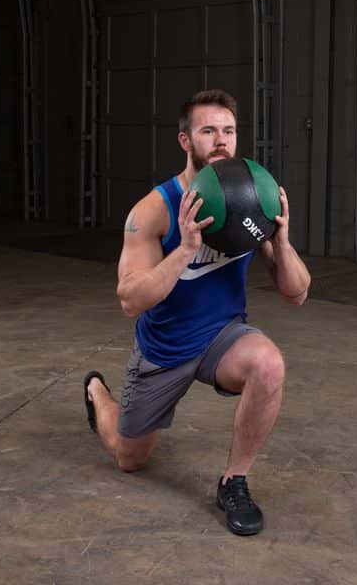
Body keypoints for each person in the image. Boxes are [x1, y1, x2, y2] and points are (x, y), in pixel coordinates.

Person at [83, 89, 311, 536]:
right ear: (185, 140)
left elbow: (297, 293)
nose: (221, 140)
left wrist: (280, 243)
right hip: (165, 349)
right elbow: (130, 299)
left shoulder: (250, 195)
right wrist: (186, 248)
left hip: (223, 337)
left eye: (229, 131)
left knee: (269, 364)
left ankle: (234, 482)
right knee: (129, 458)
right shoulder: (154, 210)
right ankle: (96, 393)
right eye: (208, 131)